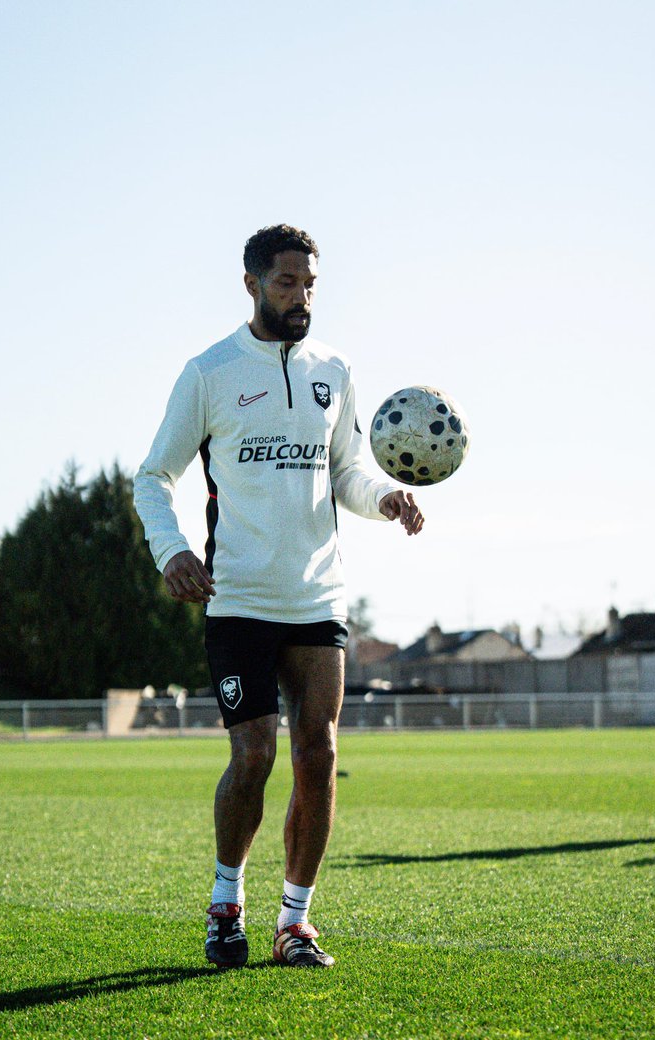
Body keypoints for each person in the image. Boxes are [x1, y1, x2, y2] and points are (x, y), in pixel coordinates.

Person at [133, 224, 424, 969]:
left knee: (318, 753)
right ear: (253, 284)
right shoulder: (211, 372)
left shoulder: (336, 369)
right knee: (256, 753)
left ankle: (296, 922)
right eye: (288, 283)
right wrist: (171, 552)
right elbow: (153, 476)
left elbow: (348, 471)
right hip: (237, 598)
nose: (301, 297)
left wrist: (385, 499)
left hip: (317, 596)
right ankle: (226, 904)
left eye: (311, 284)